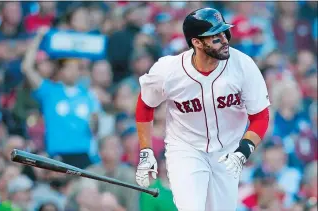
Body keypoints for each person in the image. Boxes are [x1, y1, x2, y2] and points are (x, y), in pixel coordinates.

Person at [135, 8, 270, 211]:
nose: (224, 40)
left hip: (228, 150)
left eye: (224, 33)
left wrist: (243, 150)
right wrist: (146, 150)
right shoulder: (170, 70)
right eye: (215, 36)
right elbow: (146, 104)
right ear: (197, 42)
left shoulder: (243, 65)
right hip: (185, 147)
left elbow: (260, 116)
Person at [21, 27, 102, 169]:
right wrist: (38, 38)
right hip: (57, 154)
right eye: (69, 67)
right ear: (60, 70)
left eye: (76, 68)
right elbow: (27, 68)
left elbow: (95, 130)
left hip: (83, 154)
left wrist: (95, 124)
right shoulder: (49, 91)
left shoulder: (89, 95)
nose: (73, 71)